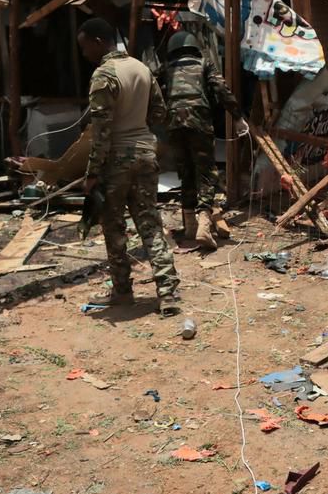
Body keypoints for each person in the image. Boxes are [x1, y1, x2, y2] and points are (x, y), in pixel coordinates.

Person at [77, 18, 182, 316]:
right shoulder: (142, 68)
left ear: (98, 42)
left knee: (114, 227)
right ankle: (169, 292)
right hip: (146, 154)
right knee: (150, 223)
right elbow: (160, 111)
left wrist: (92, 173)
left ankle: (122, 292)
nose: (83, 53)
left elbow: (102, 131)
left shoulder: (103, 75)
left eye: (84, 47)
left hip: (116, 162)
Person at [161, 30, 248, 249]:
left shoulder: (165, 68)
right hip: (199, 121)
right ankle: (204, 225)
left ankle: (190, 227)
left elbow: (151, 90)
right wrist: (237, 117)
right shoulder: (204, 63)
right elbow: (221, 89)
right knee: (206, 173)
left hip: (173, 122)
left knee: (186, 171)